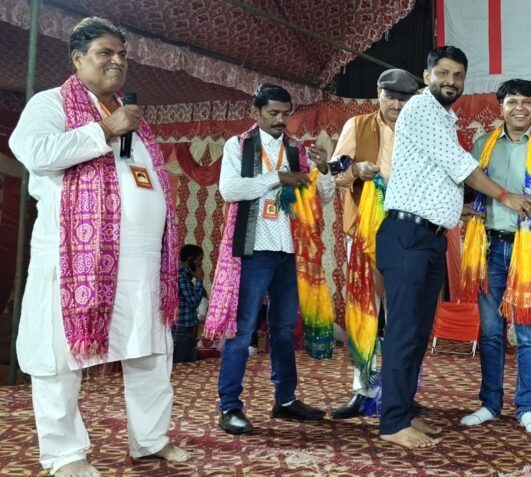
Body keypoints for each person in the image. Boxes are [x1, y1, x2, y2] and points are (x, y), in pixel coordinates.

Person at [9, 16, 188, 476]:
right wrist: (104, 129)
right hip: (75, 259)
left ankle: (150, 440)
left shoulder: (131, 117)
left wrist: (118, 123)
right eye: (105, 52)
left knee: (151, 353)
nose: (117, 61)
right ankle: (65, 454)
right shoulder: (51, 103)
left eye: (122, 54)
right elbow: (35, 152)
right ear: (77, 59)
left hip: (140, 263)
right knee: (60, 358)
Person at [376, 45, 531, 448]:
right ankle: (392, 423)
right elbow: (462, 168)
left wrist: (457, 210)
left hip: (428, 238)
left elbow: (437, 178)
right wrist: (505, 196)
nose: (451, 81)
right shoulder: (422, 108)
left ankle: (405, 410)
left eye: (458, 76)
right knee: (404, 332)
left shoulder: (444, 118)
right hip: (407, 237)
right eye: (443, 73)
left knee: (417, 332)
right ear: (427, 74)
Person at [204, 83, 336, 435]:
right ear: (256, 112)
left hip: (290, 250)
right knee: (243, 328)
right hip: (254, 248)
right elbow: (230, 190)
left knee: (283, 328)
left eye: (285, 114)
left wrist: (324, 169)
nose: (280, 120)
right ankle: (230, 406)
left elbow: (322, 198)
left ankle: (286, 400)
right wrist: (276, 177)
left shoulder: (297, 149)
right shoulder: (238, 145)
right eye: (273, 113)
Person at [458, 79, 531, 434]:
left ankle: (527, 408)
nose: (519, 108)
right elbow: (467, 189)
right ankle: (490, 404)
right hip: (490, 246)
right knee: (491, 332)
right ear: (501, 107)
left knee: (528, 333)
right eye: (512, 102)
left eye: (526, 102)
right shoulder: (483, 145)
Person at [329, 68, 420, 420]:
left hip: (409, 230)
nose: (396, 105)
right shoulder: (357, 125)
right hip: (366, 229)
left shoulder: (421, 128)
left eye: (403, 99)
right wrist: (355, 171)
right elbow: (335, 175)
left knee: (404, 312)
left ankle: (401, 392)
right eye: (390, 97)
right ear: (378, 94)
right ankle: (362, 390)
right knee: (365, 307)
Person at [174, 244, 206, 363]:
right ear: (190, 260)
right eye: (200, 259)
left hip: (188, 327)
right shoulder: (181, 276)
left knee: (190, 364)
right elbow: (193, 302)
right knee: (180, 364)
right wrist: (199, 281)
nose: (201, 263)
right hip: (182, 328)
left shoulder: (185, 275)